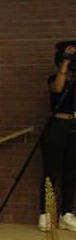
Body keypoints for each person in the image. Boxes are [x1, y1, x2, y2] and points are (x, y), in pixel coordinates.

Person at [41, 43, 76, 230]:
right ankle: (45, 214)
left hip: (74, 126)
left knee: (72, 172)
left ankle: (66, 214)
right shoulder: (54, 78)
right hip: (57, 125)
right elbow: (58, 89)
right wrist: (65, 62)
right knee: (51, 171)